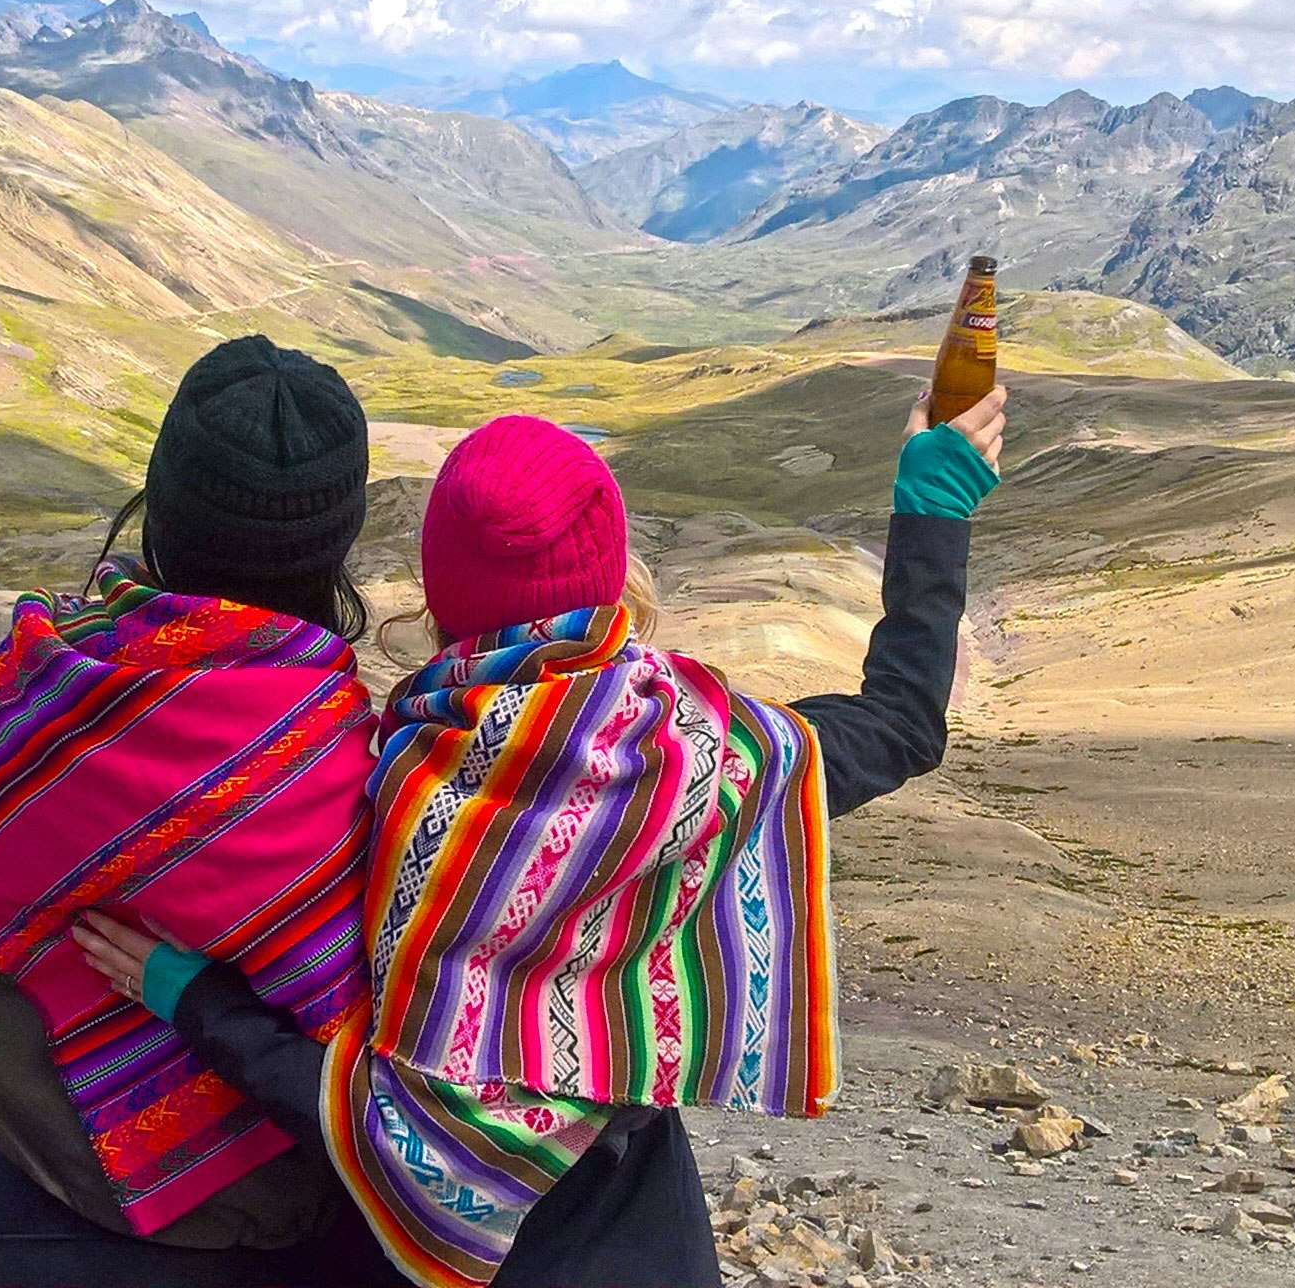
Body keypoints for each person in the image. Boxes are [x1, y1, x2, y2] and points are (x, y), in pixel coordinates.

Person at [78, 383, 1008, 1288]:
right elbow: (903, 720)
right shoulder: (711, 760)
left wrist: (194, 1002)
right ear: (610, 575)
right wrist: (933, 508)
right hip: (645, 1245)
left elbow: (377, 1125)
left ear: (440, 592)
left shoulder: (376, 784)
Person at [0, 334, 403, 1288]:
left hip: (55, 1217)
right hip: (311, 1230)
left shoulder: (54, 698)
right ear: (336, 544)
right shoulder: (374, 766)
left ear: (160, 506)